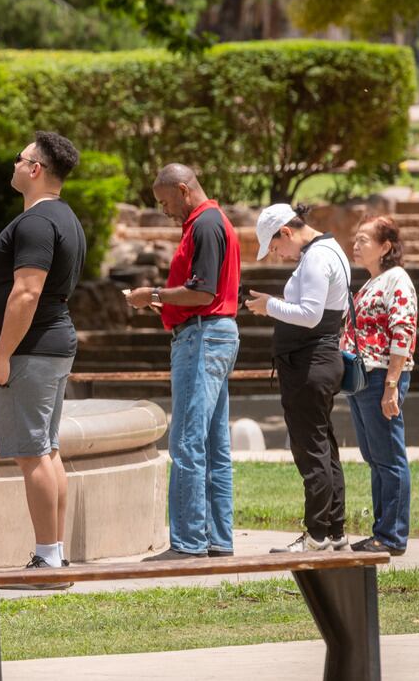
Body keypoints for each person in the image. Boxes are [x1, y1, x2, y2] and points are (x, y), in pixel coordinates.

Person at [0, 132, 87, 580]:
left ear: (36, 169)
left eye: (20, 158)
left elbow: (26, 292)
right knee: (47, 451)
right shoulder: (65, 218)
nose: (15, 165)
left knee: (33, 455)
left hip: (32, 349)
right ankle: (54, 552)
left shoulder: (38, 223)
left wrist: (2, 354)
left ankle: (47, 556)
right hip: (51, 345)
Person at [124, 163, 240, 561]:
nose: (164, 210)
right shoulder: (211, 221)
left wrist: (153, 293)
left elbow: (202, 293)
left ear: (182, 189)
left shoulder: (204, 224)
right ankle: (218, 539)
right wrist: (160, 302)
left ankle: (189, 542)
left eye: (165, 201)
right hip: (214, 334)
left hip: (203, 335)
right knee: (213, 442)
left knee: (188, 440)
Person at [245, 204, 352, 553]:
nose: (279, 255)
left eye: (276, 248)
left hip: (310, 365)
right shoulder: (327, 250)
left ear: (287, 232)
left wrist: (269, 307)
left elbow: (309, 314)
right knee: (323, 447)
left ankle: (317, 535)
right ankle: (333, 531)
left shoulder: (317, 257)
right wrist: (272, 302)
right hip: (317, 362)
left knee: (311, 451)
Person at [344, 216, 417, 555]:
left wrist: (392, 384)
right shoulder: (371, 282)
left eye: (363, 240)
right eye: (355, 240)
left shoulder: (396, 280)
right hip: (363, 379)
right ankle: (381, 531)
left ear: (385, 247)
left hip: (381, 378)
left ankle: (392, 536)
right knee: (375, 457)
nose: (355, 246)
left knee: (389, 457)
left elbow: (403, 332)